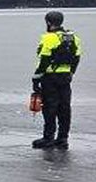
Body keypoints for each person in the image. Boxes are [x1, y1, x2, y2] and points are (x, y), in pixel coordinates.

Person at [32, 10, 82, 150]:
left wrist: (36, 79)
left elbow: (44, 60)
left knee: (49, 107)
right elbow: (77, 58)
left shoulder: (49, 38)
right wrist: (71, 72)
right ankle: (63, 138)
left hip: (50, 77)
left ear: (48, 22)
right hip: (65, 78)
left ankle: (48, 138)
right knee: (64, 107)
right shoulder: (74, 38)